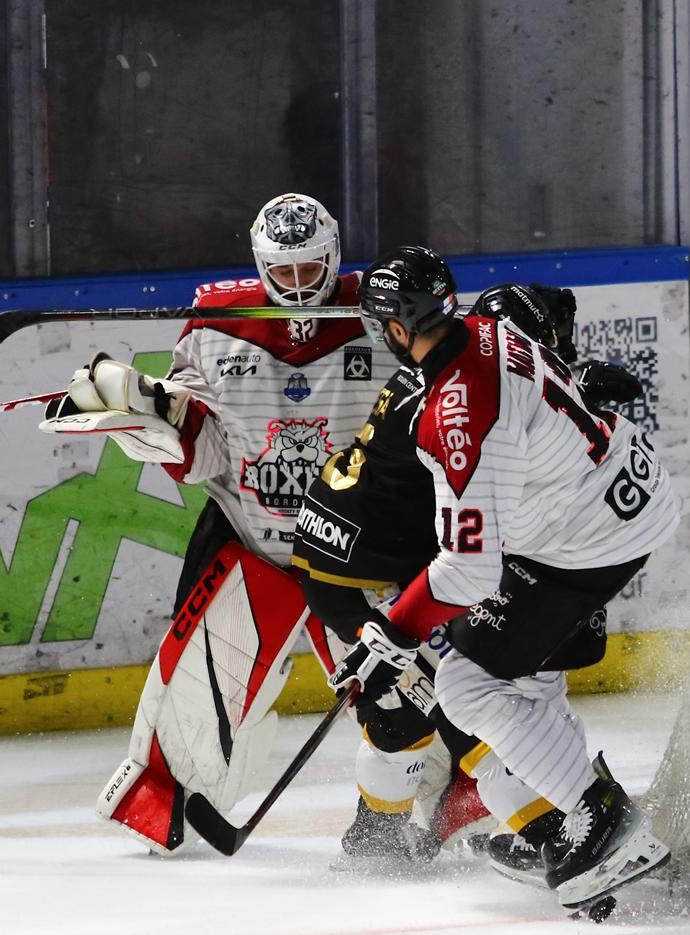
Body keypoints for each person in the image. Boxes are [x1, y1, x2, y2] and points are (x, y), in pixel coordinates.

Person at [39, 193, 412, 856]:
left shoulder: (382, 314)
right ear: (261, 265)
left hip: (356, 552)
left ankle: (431, 812)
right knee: (191, 699)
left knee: (409, 692)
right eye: (285, 272)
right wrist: (146, 413)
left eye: (311, 268)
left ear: (334, 253)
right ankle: (163, 805)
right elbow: (202, 453)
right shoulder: (215, 325)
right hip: (255, 542)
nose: (300, 286)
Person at [329, 246, 681, 912]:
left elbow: (467, 571)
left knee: (465, 683)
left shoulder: (452, 420)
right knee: (521, 669)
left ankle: (602, 817)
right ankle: (568, 820)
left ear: (396, 329)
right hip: (619, 493)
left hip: (588, 538)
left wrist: (388, 634)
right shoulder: (493, 331)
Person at [291, 281, 628, 876]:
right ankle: (390, 839)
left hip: (398, 556)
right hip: (355, 569)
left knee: (476, 693)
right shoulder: (460, 400)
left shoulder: (472, 367)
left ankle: (552, 826)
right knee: (429, 705)